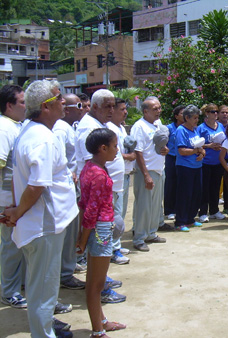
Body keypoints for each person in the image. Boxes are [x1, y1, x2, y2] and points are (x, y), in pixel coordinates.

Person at [2, 79, 78, 337]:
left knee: (39, 287)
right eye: (59, 98)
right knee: (43, 291)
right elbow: (36, 185)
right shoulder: (42, 138)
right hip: (44, 225)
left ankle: (44, 329)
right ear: (45, 106)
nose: (64, 103)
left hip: (40, 223)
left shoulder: (29, 131)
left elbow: (16, 176)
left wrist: (15, 209)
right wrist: (17, 211)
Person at [75, 89, 126, 304]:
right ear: (94, 106)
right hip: (99, 207)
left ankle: (101, 280)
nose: (111, 110)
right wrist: (82, 239)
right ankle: (100, 289)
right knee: (98, 249)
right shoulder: (89, 129)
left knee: (101, 250)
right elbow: (90, 210)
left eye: (113, 106)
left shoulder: (102, 126)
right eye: (107, 106)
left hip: (104, 194)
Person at [76, 128, 126, 338]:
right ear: (103, 148)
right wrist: (82, 240)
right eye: (115, 146)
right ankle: (97, 330)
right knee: (96, 284)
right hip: (99, 230)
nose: (118, 150)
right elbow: (90, 211)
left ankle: (101, 321)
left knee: (97, 282)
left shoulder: (90, 167)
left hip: (99, 229)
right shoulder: (96, 173)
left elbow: (83, 204)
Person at [53, 93, 86, 290]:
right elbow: (57, 159)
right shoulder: (60, 129)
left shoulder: (69, 127)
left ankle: (68, 268)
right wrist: (69, 173)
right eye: (79, 105)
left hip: (71, 186)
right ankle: (65, 274)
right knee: (68, 231)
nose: (83, 109)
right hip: (65, 188)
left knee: (73, 229)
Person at [0, 85, 27, 309]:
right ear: (9, 106)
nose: (26, 106)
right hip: (7, 200)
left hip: (18, 199)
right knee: (10, 246)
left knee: (19, 244)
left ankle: (19, 285)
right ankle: (9, 291)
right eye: (22, 102)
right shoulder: (4, 128)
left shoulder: (17, 126)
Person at [130, 97, 168, 251]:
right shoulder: (139, 127)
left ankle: (151, 233)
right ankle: (139, 238)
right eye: (155, 109)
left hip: (159, 170)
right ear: (145, 111)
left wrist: (166, 150)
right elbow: (138, 151)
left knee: (155, 205)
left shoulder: (158, 125)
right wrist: (146, 175)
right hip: (146, 171)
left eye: (159, 108)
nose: (158, 111)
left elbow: (159, 146)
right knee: (143, 206)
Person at [105, 99, 131, 264]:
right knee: (114, 217)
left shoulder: (121, 127)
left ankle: (117, 245)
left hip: (123, 176)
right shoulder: (109, 128)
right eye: (121, 109)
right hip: (112, 180)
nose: (125, 112)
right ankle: (113, 250)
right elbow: (113, 153)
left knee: (120, 214)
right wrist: (129, 156)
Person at [174, 104, 205, 231]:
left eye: (198, 118)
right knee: (184, 194)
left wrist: (202, 153)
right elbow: (181, 150)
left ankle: (190, 219)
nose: (196, 120)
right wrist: (195, 151)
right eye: (194, 118)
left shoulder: (195, 129)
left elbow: (201, 146)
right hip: (185, 167)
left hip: (197, 166)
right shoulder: (181, 130)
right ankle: (180, 221)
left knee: (196, 194)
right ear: (187, 118)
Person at [197, 104, 226, 223]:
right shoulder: (201, 128)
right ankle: (203, 212)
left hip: (218, 161)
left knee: (215, 187)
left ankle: (214, 210)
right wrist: (209, 145)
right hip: (206, 162)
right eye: (213, 111)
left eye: (216, 111)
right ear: (207, 113)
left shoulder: (220, 126)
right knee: (205, 188)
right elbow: (196, 143)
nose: (216, 114)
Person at [164, 105, 185, 221]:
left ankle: (179, 208)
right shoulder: (169, 128)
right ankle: (169, 210)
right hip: (171, 158)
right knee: (170, 184)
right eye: (182, 113)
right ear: (176, 116)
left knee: (181, 184)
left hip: (183, 158)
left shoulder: (188, 127)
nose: (184, 115)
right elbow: (163, 142)